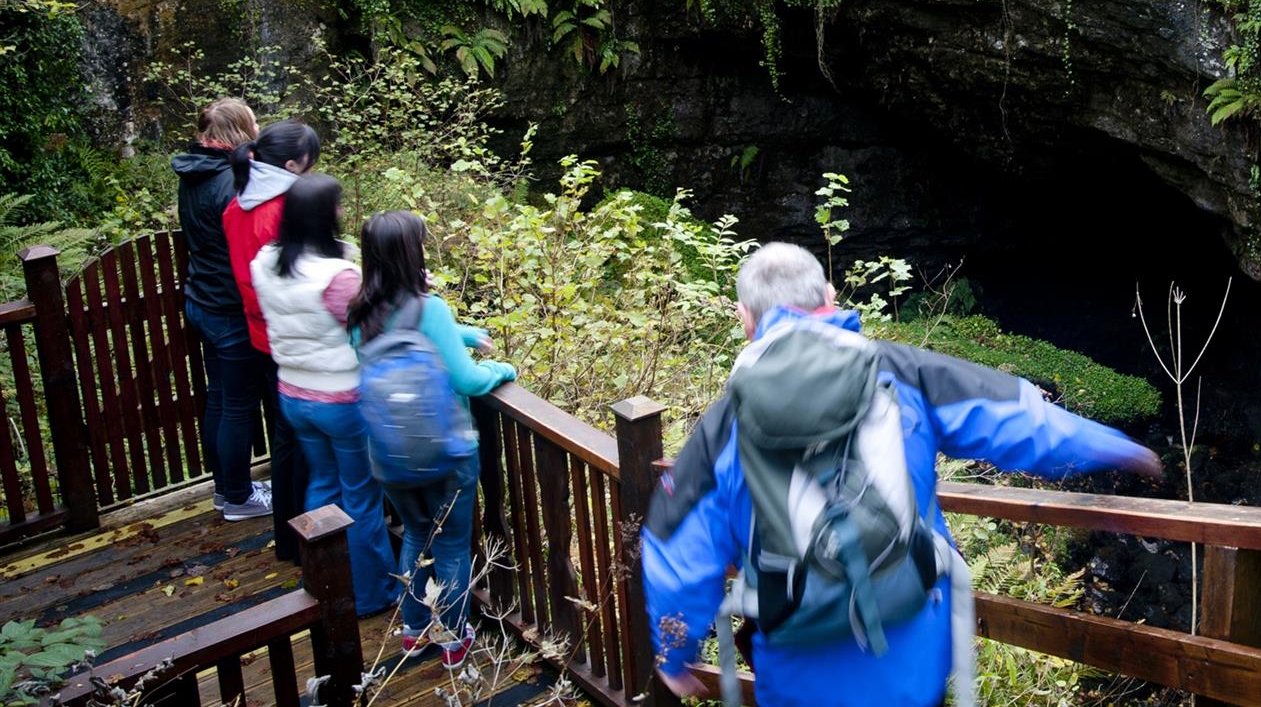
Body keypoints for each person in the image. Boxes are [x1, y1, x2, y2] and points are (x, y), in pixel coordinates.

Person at [644, 242, 1162, 707]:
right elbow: (1021, 421)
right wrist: (1116, 447)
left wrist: (674, 655)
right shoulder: (905, 372)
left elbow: (676, 547)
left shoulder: (725, 422)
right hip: (910, 656)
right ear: (830, 294)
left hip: (799, 668)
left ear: (745, 318)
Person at [348, 210, 515, 667]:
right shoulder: (431, 308)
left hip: (388, 454)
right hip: (446, 452)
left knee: (416, 535)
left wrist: (458, 332)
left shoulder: (360, 312)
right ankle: (454, 639)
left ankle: (414, 629)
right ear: (411, 253)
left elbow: (383, 343)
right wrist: (502, 369)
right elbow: (467, 380)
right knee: (451, 546)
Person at [250, 174, 397, 617]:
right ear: (323, 216)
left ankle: (324, 580)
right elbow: (372, 329)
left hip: (294, 394)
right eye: (335, 206)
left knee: (322, 484)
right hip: (342, 399)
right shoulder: (336, 276)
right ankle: (371, 594)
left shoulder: (266, 262)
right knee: (361, 497)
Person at [222, 120, 320, 561]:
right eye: (308, 165)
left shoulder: (236, 206)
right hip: (295, 336)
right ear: (291, 164)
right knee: (300, 439)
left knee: (287, 437)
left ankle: (288, 538)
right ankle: (307, 542)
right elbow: (308, 278)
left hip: (261, 333)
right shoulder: (283, 209)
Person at [173, 98, 270, 520]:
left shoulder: (195, 171)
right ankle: (237, 497)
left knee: (220, 398)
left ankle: (226, 488)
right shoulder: (230, 181)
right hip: (229, 307)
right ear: (238, 133)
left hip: (202, 298)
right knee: (237, 405)